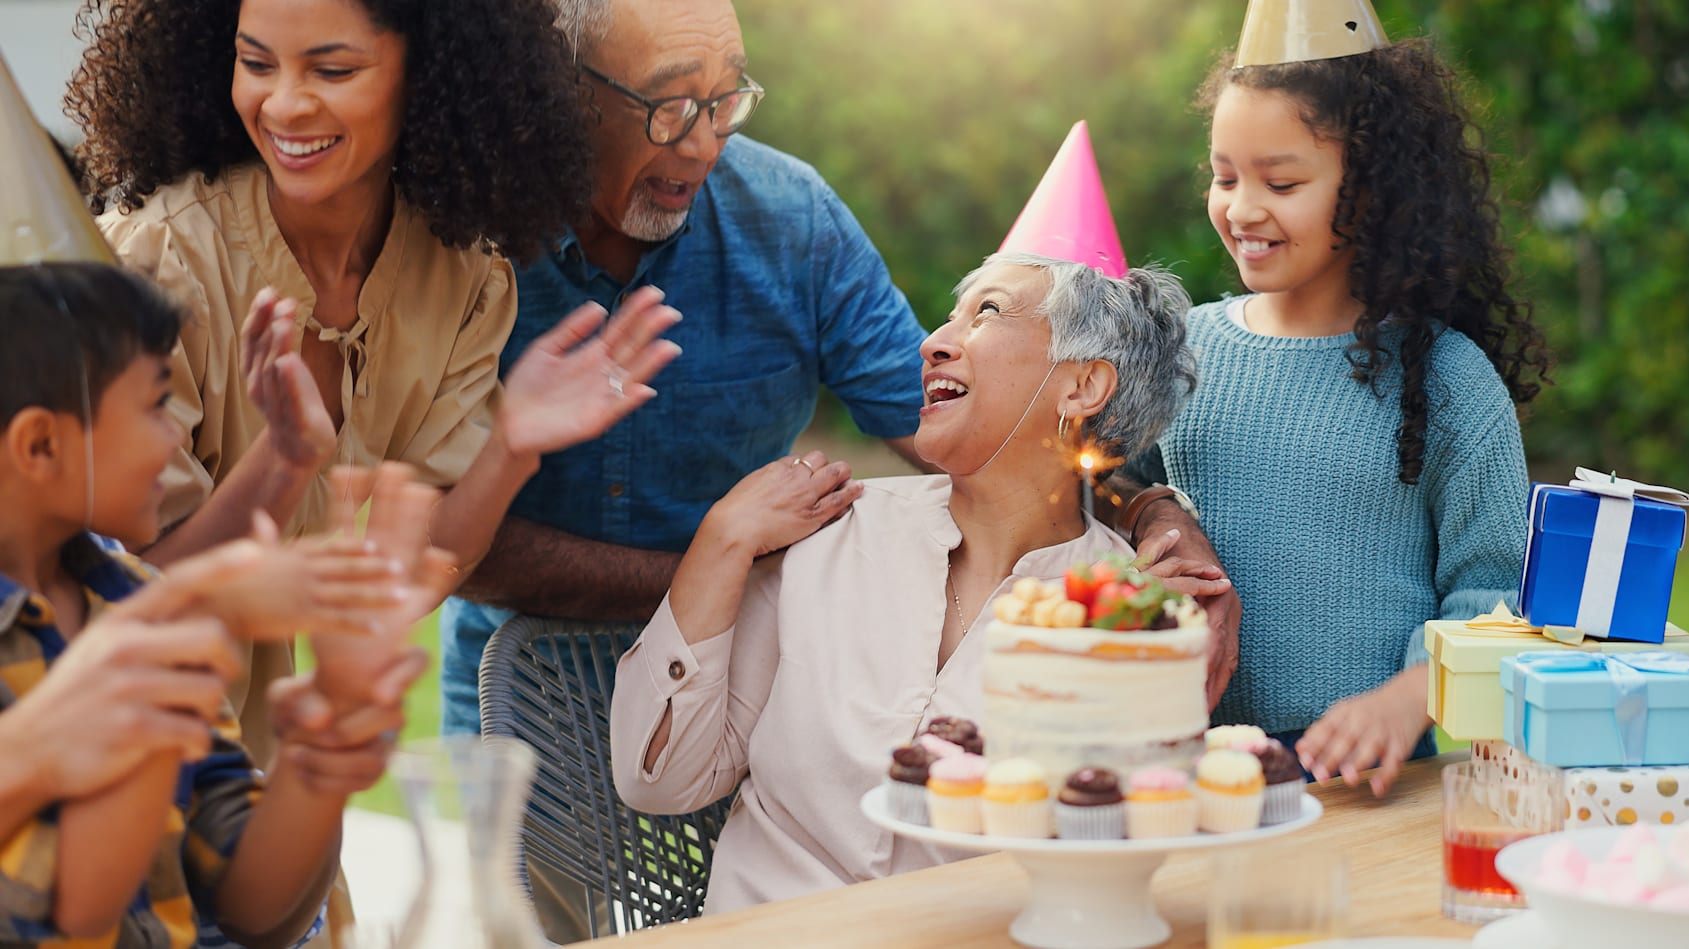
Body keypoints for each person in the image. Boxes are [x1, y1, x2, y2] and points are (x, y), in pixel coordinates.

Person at [65, 0, 680, 771]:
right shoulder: (154, 267)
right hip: (94, 738)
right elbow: (128, 590)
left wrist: (512, 446)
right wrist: (283, 464)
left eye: (332, 69)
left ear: (427, 74)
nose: (284, 104)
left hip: (259, 756)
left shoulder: (458, 275)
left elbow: (416, 573)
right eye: (256, 63)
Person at [608, 242, 1197, 912]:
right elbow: (657, 779)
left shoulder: (1127, 616)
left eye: (988, 312)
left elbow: (1114, 861)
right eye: (950, 316)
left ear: (1083, 386)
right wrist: (722, 540)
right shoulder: (828, 531)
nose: (932, 343)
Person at [437, 0, 934, 737]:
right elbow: (453, 547)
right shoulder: (463, 234)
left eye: (725, 97)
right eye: (668, 104)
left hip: (735, 709)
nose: (704, 143)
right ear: (561, 86)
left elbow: (947, 428)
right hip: (514, 707)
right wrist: (723, 570)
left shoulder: (796, 218)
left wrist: (1108, 484)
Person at [1116, 2, 1551, 797]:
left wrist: (1411, 697)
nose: (1242, 207)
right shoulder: (1185, 352)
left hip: (1361, 777)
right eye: (1224, 176)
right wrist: (1151, 518)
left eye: (1280, 182)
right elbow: (1106, 486)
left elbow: (1497, 596)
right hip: (1182, 772)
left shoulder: (1446, 379)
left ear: (1375, 189)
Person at [0, 262, 437, 948]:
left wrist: (329, 721)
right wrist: (197, 604)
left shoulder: (126, 593)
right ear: (41, 444)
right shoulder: (152, 616)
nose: (172, 438)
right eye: (155, 406)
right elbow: (75, 915)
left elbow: (250, 908)